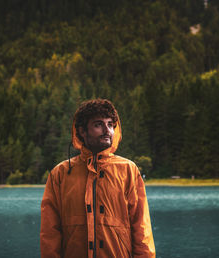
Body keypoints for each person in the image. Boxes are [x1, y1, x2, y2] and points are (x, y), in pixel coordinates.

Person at [40, 99, 155, 258]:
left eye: (110, 125)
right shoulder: (60, 174)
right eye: (98, 124)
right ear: (82, 131)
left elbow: (142, 228)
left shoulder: (128, 170)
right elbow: (49, 232)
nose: (107, 130)